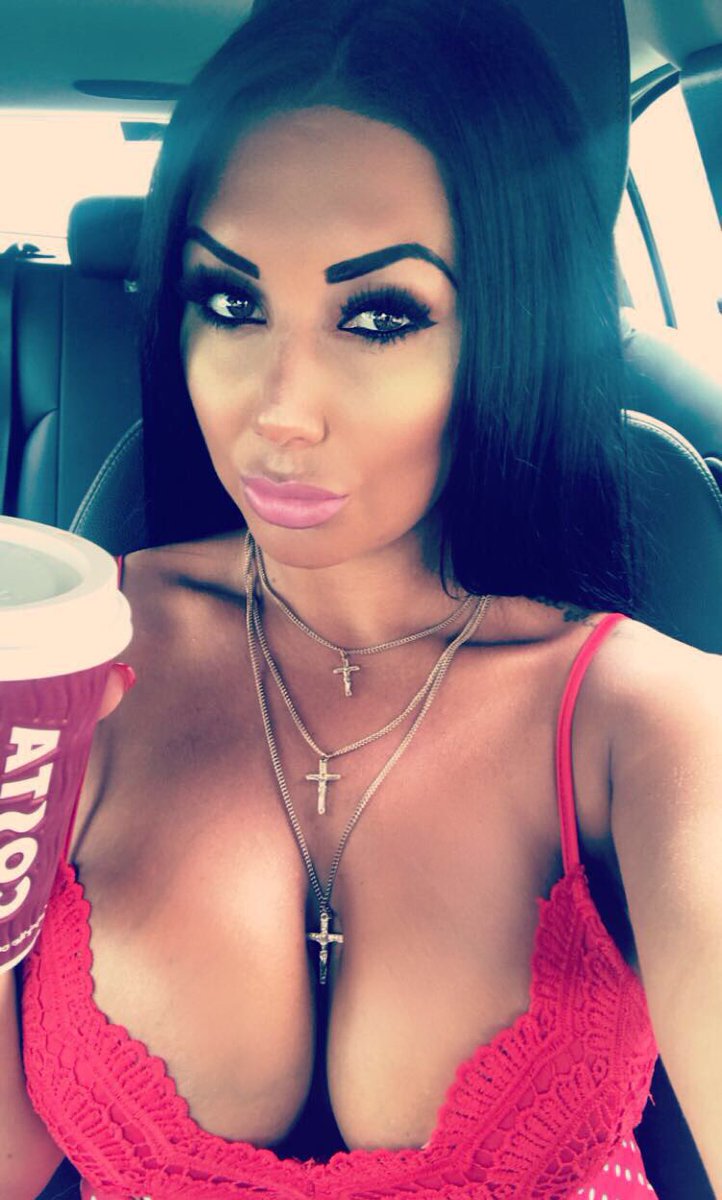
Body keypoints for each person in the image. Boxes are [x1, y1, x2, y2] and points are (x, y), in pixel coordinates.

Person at [5, 0, 721, 1197]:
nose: (280, 410)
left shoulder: (647, 724)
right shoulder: (65, 664)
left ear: (507, 329)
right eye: (230, 303)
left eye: (380, 316)